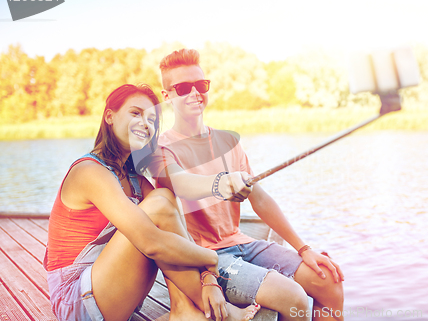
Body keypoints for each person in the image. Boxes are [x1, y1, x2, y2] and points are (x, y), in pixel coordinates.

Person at [148, 49, 345, 321]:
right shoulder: (160, 148)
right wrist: (221, 183)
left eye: (201, 85)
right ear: (167, 96)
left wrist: (303, 248)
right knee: (294, 297)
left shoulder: (228, 142)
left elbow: (259, 198)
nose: (194, 93)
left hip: (241, 243)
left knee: (329, 281)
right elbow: (181, 183)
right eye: (183, 88)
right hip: (207, 259)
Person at [44, 83, 261, 321]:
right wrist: (211, 259)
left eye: (152, 119)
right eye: (135, 113)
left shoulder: (136, 181)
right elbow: (151, 243)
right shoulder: (89, 171)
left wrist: (209, 277)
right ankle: (220, 313)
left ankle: (183, 310)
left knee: (164, 198)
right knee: (158, 207)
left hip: (108, 290)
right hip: (75, 300)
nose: (145, 124)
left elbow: (177, 231)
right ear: (109, 116)